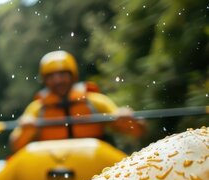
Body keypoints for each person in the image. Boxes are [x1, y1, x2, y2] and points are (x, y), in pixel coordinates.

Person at [9, 50, 145, 152]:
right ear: (45, 80)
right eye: (51, 76)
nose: (58, 80)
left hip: (93, 163)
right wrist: (26, 130)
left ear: (72, 76)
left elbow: (138, 131)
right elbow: (15, 145)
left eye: (62, 74)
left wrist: (126, 119)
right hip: (52, 165)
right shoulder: (36, 109)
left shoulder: (96, 101)